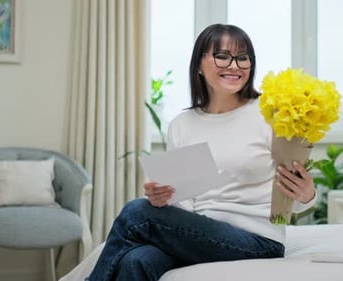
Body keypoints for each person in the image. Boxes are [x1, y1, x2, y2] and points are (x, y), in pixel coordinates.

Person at [86, 23, 316, 281]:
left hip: (257, 240)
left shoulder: (271, 115)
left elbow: (291, 198)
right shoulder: (183, 124)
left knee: (137, 212)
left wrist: (307, 195)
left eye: (243, 58)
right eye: (222, 56)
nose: (234, 66)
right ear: (198, 65)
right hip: (198, 235)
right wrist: (163, 197)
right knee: (136, 261)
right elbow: (185, 201)